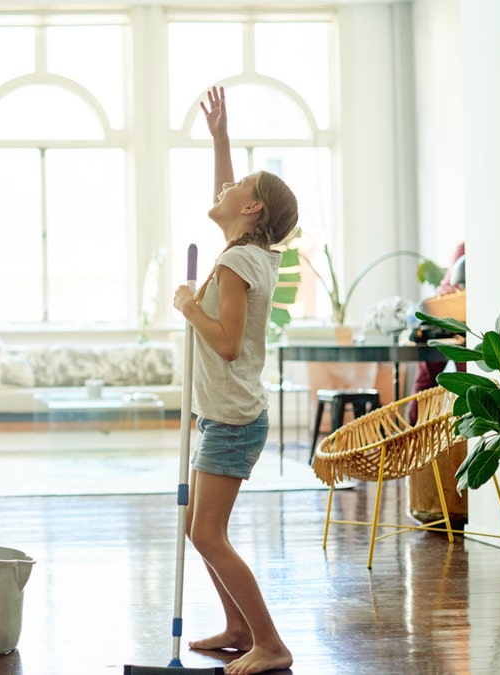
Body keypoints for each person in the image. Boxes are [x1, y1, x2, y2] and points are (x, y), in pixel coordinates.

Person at [173, 86, 298, 675]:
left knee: (207, 534)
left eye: (236, 186)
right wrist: (220, 138)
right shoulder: (252, 252)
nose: (223, 189)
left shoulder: (233, 262)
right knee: (202, 530)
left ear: (252, 210)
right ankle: (237, 627)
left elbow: (224, 343)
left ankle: (270, 643)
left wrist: (186, 308)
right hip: (225, 414)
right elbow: (227, 195)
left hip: (232, 419)